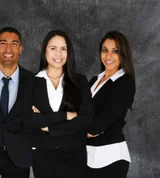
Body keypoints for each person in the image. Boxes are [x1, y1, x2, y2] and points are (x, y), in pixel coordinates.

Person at [31, 30, 93, 178]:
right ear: (44, 50)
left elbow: (86, 120)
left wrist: (49, 127)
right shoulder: (31, 82)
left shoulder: (80, 81)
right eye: (53, 48)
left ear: (68, 52)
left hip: (74, 154)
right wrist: (68, 116)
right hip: (43, 155)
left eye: (63, 49)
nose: (58, 54)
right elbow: (31, 120)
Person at [0, 27, 34, 178]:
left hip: (19, 157)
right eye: (3, 43)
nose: (8, 48)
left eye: (14, 44)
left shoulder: (34, 81)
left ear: (21, 49)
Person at [85, 31, 135, 177]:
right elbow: (80, 111)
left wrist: (75, 126)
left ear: (123, 54)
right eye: (105, 50)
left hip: (111, 159)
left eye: (115, 51)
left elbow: (96, 126)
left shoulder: (125, 82)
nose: (108, 56)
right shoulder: (95, 80)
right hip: (87, 156)